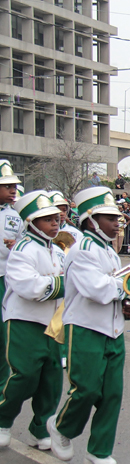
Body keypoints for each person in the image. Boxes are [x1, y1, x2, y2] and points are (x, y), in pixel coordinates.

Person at [47, 186, 130, 464]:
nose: (116, 222)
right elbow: (97, 289)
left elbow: (114, 289)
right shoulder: (82, 249)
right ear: (91, 220)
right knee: (86, 389)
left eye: (117, 217)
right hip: (85, 328)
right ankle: (61, 427)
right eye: (109, 217)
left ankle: (98, 450)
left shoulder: (109, 252)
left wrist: (128, 304)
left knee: (112, 395)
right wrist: (125, 285)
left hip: (113, 330)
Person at [0, 191, 66, 450]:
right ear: (31, 223)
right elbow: (30, 287)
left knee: (51, 381)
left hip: (53, 322)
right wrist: (66, 284)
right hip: (24, 321)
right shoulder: (22, 249)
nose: (54, 224)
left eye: (55, 219)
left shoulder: (58, 251)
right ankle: (3, 420)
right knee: (24, 375)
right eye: (46, 220)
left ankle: (41, 428)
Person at [0, 160, 24, 385]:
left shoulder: (15, 216)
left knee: (3, 337)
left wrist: (15, 246)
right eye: (7, 186)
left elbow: (25, 243)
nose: (13, 190)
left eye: (14, 186)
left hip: (5, 280)